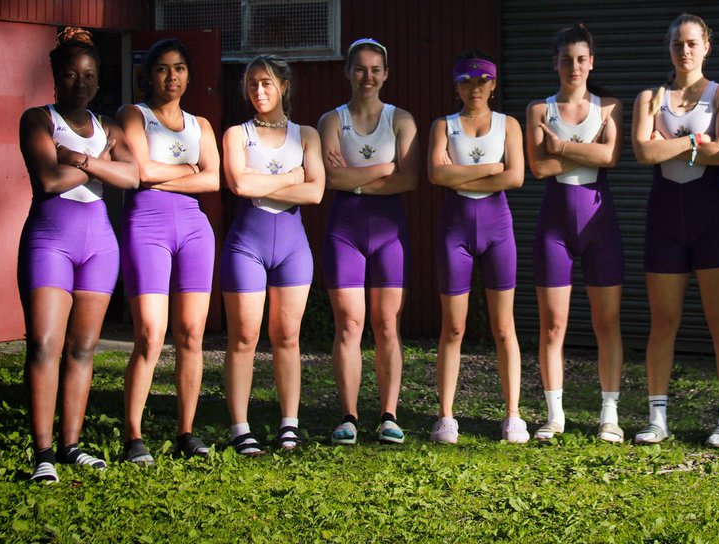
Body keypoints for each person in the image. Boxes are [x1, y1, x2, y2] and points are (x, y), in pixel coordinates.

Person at [18, 28, 139, 482]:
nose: (80, 82)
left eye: (89, 74)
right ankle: (43, 453)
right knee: (45, 345)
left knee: (84, 347)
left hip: (99, 245)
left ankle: (70, 445)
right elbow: (47, 181)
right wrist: (101, 164)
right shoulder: (38, 119)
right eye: (71, 74)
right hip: (51, 240)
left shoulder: (110, 126)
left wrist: (82, 160)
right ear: (56, 76)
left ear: (98, 79)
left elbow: (133, 177)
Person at [631, 13, 719, 447]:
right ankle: (657, 416)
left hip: (710, 215)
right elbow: (642, 152)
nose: (685, 51)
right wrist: (695, 141)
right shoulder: (650, 96)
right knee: (663, 322)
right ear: (669, 48)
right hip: (664, 217)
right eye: (678, 44)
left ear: (706, 46)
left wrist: (671, 145)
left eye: (693, 43)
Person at [119, 38, 221, 464]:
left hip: (195, 229)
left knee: (192, 335)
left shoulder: (201, 125)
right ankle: (133, 436)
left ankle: (186, 431)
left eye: (179, 68)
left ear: (189, 75)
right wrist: (186, 171)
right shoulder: (133, 115)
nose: (171, 76)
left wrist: (164, 176)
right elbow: (138, 171)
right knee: (149, 334)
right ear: (148, 75)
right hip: (147, 225)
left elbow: (214, 180)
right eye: (162, 68)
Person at [525, 23, 625, 443]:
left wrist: (561, 147)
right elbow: (539, 168)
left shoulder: (610, 108)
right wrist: (590, 152)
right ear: (555, 64)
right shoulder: (538, 111)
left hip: (600, 225)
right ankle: (555, 414)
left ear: (592, 63)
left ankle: (609, 415)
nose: (574, 67)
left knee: (607, 323)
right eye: (566, 59)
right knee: (553, 327)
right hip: (555, 227)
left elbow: (611, 156)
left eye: (581, 59)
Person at [220, 56, 324, 455]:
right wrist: (292, 177)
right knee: (244, 337)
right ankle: (240, 427)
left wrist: (263, 182)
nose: (259, 92)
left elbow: (315, 193)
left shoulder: (307, 135)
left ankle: (289, 425)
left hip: (293, 249)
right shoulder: (236, 135)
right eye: (251, 85)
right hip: (247, 246)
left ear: (283, 85)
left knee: (287, 337)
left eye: (265, 83)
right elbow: (239, 185)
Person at [318, 38, 419, 445]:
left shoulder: (401, 120)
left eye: (376, 69)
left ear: (386, 74)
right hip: (345, 229)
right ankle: (349, 415)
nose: (368, 77)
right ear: (348, 72)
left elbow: (409, 179)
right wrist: (383, 167)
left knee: (387, 324)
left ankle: (389, 414)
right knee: (349, 324)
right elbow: (330, 180)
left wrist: (355, 179)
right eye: (360, 69)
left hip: (388, 231)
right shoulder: (331, 121)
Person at [427, 52, 528, 444]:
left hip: (497, 229)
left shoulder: (509, 125)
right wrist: (491, 168)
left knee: (504, 327)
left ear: (493, 85)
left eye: (482, 81)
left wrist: (461, 175)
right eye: (467, 82)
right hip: (456, 232)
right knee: (453, 326)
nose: (475, 89)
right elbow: (436, 173)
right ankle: (446, 415)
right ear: (457, 86)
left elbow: (516, 176)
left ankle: (513, 414)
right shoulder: (444, 125)